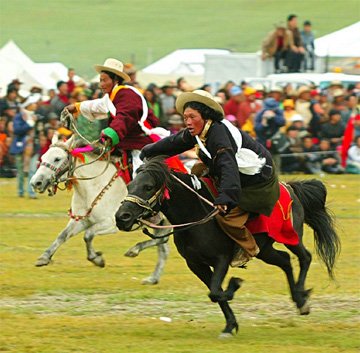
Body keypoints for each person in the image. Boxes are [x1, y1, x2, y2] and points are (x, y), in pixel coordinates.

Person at [141, 90, 280, 266]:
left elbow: (227, 166)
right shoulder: (202, 129)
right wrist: (148, 152)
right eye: (185, 118)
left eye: (192, 117)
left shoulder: (219, 134)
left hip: (256, 180)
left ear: (206, 116)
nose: (188, 122)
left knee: (226, 217)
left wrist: (225, 198)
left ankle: (246, 249)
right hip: (230, 172)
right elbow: (175, 141)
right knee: (197, 171)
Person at [64, 58, 161, 177]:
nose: (102, 84)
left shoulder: (127, 95)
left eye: (105, 80)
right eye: (100, 80)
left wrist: (112, 133)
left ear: (115, 80)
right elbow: (98, 105)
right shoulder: (113, 96)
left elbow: (125, 116)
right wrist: (77, 107)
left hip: (138, 145)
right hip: (125, 142)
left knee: (140, 177)